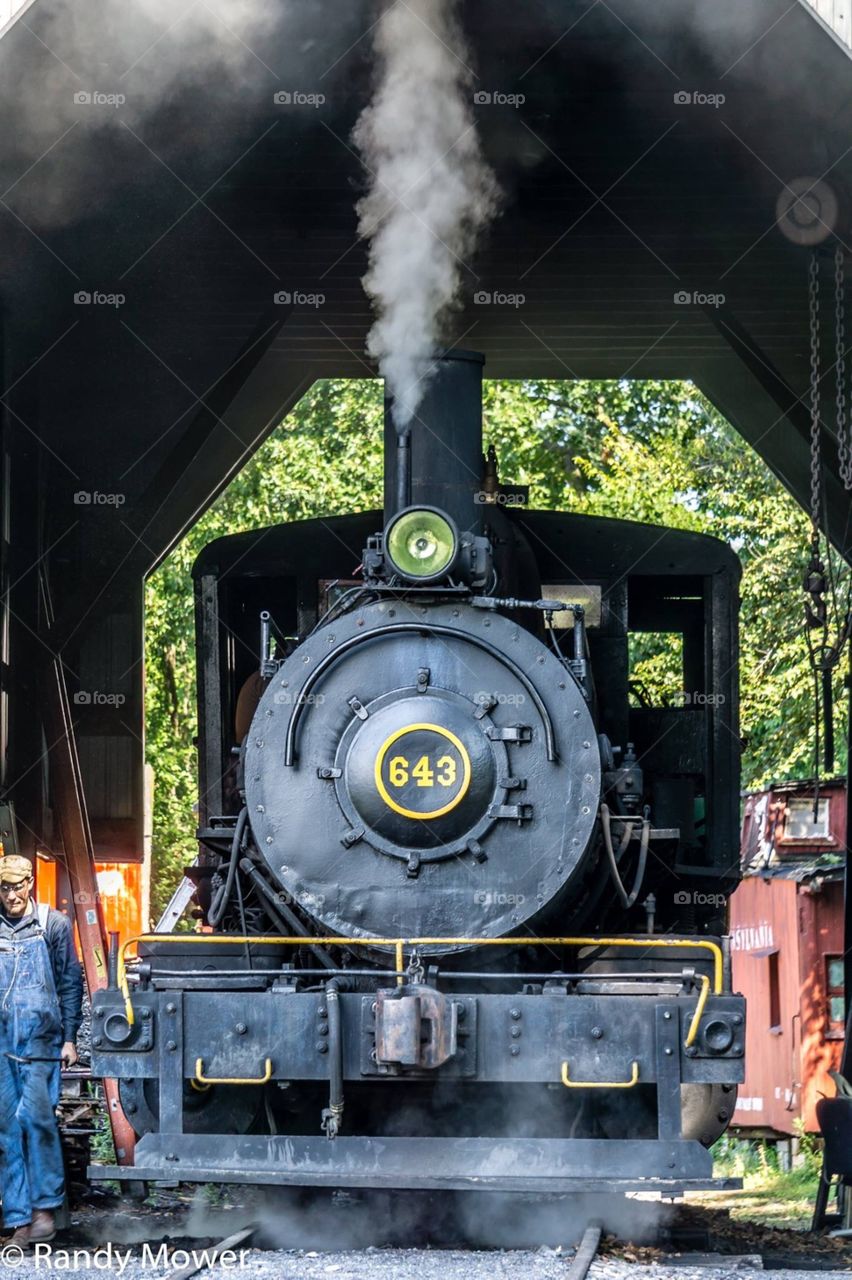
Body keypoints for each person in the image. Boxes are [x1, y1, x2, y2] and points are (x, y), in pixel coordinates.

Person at [0, 855, 83, 1246]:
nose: (11, 894)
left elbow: (70, 982)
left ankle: (44, 1211)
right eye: (4, 887)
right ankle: (18, 1218)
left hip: (40, 1041)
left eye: (17, 886)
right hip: (1, 1043)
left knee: (37, 1122)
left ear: (30, 883)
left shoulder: (53, 925)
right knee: (6, 1129)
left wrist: (70, 1037)